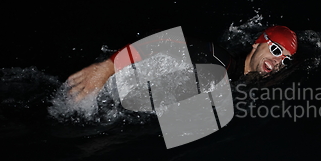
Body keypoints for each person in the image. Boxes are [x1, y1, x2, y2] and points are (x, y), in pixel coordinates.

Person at [67, 25, 298, 102]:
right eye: (276, 50)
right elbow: (164, 42)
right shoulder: (219, 59)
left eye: (285, 59)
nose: (278, 61)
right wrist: (106, 68)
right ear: (257, 44)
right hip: (106, 83)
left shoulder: (255, 81)